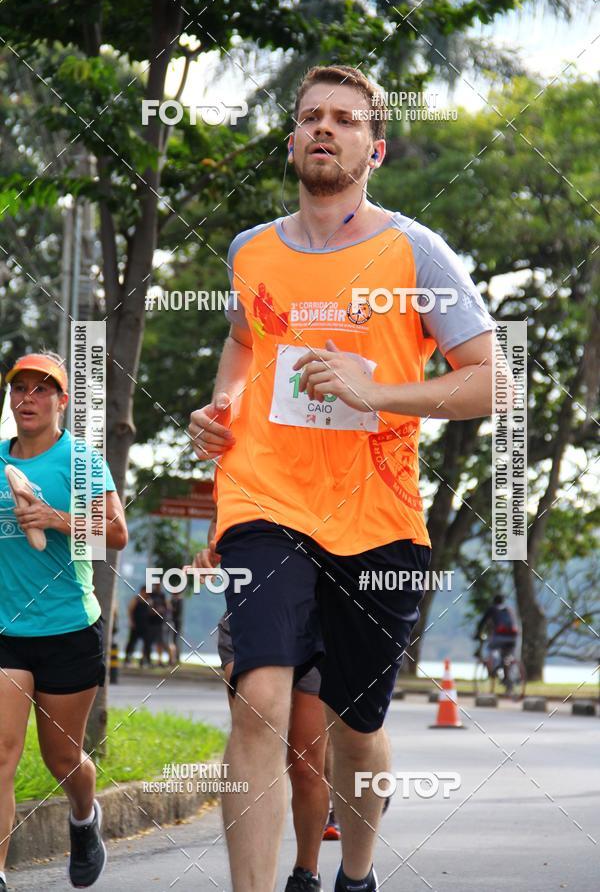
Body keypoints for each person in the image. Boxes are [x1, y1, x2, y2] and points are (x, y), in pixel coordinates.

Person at [189, 64, 495, 892]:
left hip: (378, 517)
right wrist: (222, 407)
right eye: (311, 117)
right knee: (260, 697)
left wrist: (379, 391)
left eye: (346, 120)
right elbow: (247, 343)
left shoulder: (415, 250)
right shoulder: (249, 250)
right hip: (266, 500)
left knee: (357, 727)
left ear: (375, 147)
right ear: (293, 139)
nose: (326, 128)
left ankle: (354, 875)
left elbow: (492, 379)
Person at [0, 351, 128, 891]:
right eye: (19, 388)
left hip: (68, 630)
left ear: (62, 401)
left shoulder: (80, 461)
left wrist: (55, 519)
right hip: (6, 630)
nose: (28, 398)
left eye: (41, 389)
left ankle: (83, 818)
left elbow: (116, 534)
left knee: (62, 758)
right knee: (2, 751)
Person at [188, 519, 330, 891]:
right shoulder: (243, 467)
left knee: (305, 761)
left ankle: (306, 872)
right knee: (256, 738)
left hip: (318, 625)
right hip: (250, 620)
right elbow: (219, 535)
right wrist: (211, 555)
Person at [474, 593, 519, 680]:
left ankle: (494, 669)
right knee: (507, 657)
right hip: (513, 637)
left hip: (499, 636)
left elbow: (482, 623)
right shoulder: (509, 609)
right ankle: (508, 679)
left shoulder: (492, 609)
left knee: (490, 649)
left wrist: (477, 634)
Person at [124, 585, 152, 666]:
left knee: (147, 643)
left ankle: (146, 660)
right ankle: (127, 658)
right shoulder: (136, 599)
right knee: (132, 642)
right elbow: (130, 610)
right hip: (136, 625)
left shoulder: (149, 600)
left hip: (145, 625)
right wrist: (131, 621)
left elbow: (150, 611)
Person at [146, 581, 170, 667]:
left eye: (159, 585)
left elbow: (167, 607)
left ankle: (159, 660)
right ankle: (146, 659)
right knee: (149, 642)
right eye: (156, 585)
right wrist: (154, 611)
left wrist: (163, 609)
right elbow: (148, 607)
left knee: (160, 642)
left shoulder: (163, 595)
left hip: (160, 622)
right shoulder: (150, 595)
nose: (158, 586)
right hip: (151, 622)